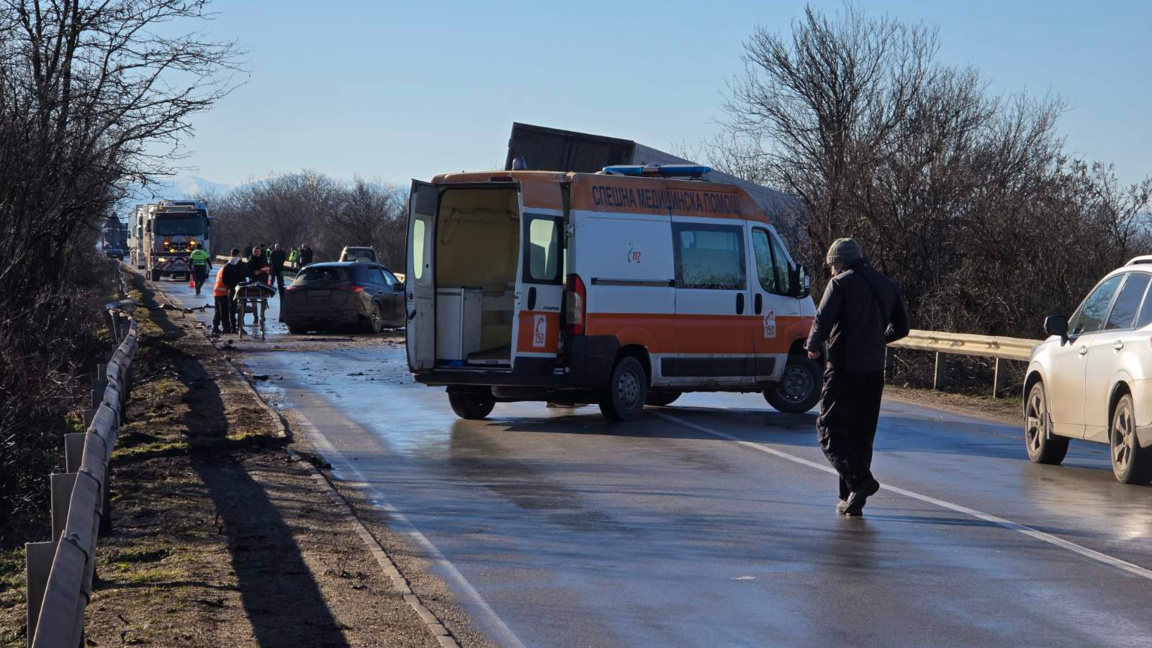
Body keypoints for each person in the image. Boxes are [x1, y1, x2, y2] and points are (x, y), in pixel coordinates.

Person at [805, 238, 909, 517]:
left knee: (828, 430)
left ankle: (861, 482)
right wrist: (877, 340)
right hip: (873, 370)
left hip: (843, 368)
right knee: (861, 435)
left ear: (841, 262)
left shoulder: (840, 283)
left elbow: (822, 319)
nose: (830, 271)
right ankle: (852, 497)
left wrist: (812, 347)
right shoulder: (887, 285)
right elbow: (902, 328)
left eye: (831, 265)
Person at [213, 248, 246, 334]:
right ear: (239, 254)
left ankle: (231, 327)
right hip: (236, 290)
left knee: (228, 309)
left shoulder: (226, 266)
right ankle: (232, 327)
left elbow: (224, 280)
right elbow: (244, 277)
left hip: (225, 290)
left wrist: (230, 286)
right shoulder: (241, 264)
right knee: (228, 310)